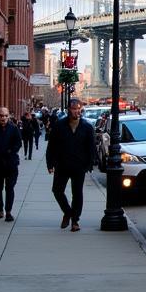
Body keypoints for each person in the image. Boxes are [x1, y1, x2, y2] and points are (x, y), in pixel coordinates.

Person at [46, 97, 95, 231]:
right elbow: (51, 146)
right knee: (57, 190)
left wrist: (89, 164)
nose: (77, 112)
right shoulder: (59, 126)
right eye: (74, 109)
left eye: (79, 109)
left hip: (79, 166)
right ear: (69, 110)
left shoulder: (87, 127)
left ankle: (75, 220)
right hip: (62, 165)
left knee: (77, 193)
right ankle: (68, 212)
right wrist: (50, 164)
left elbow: (91, 148)